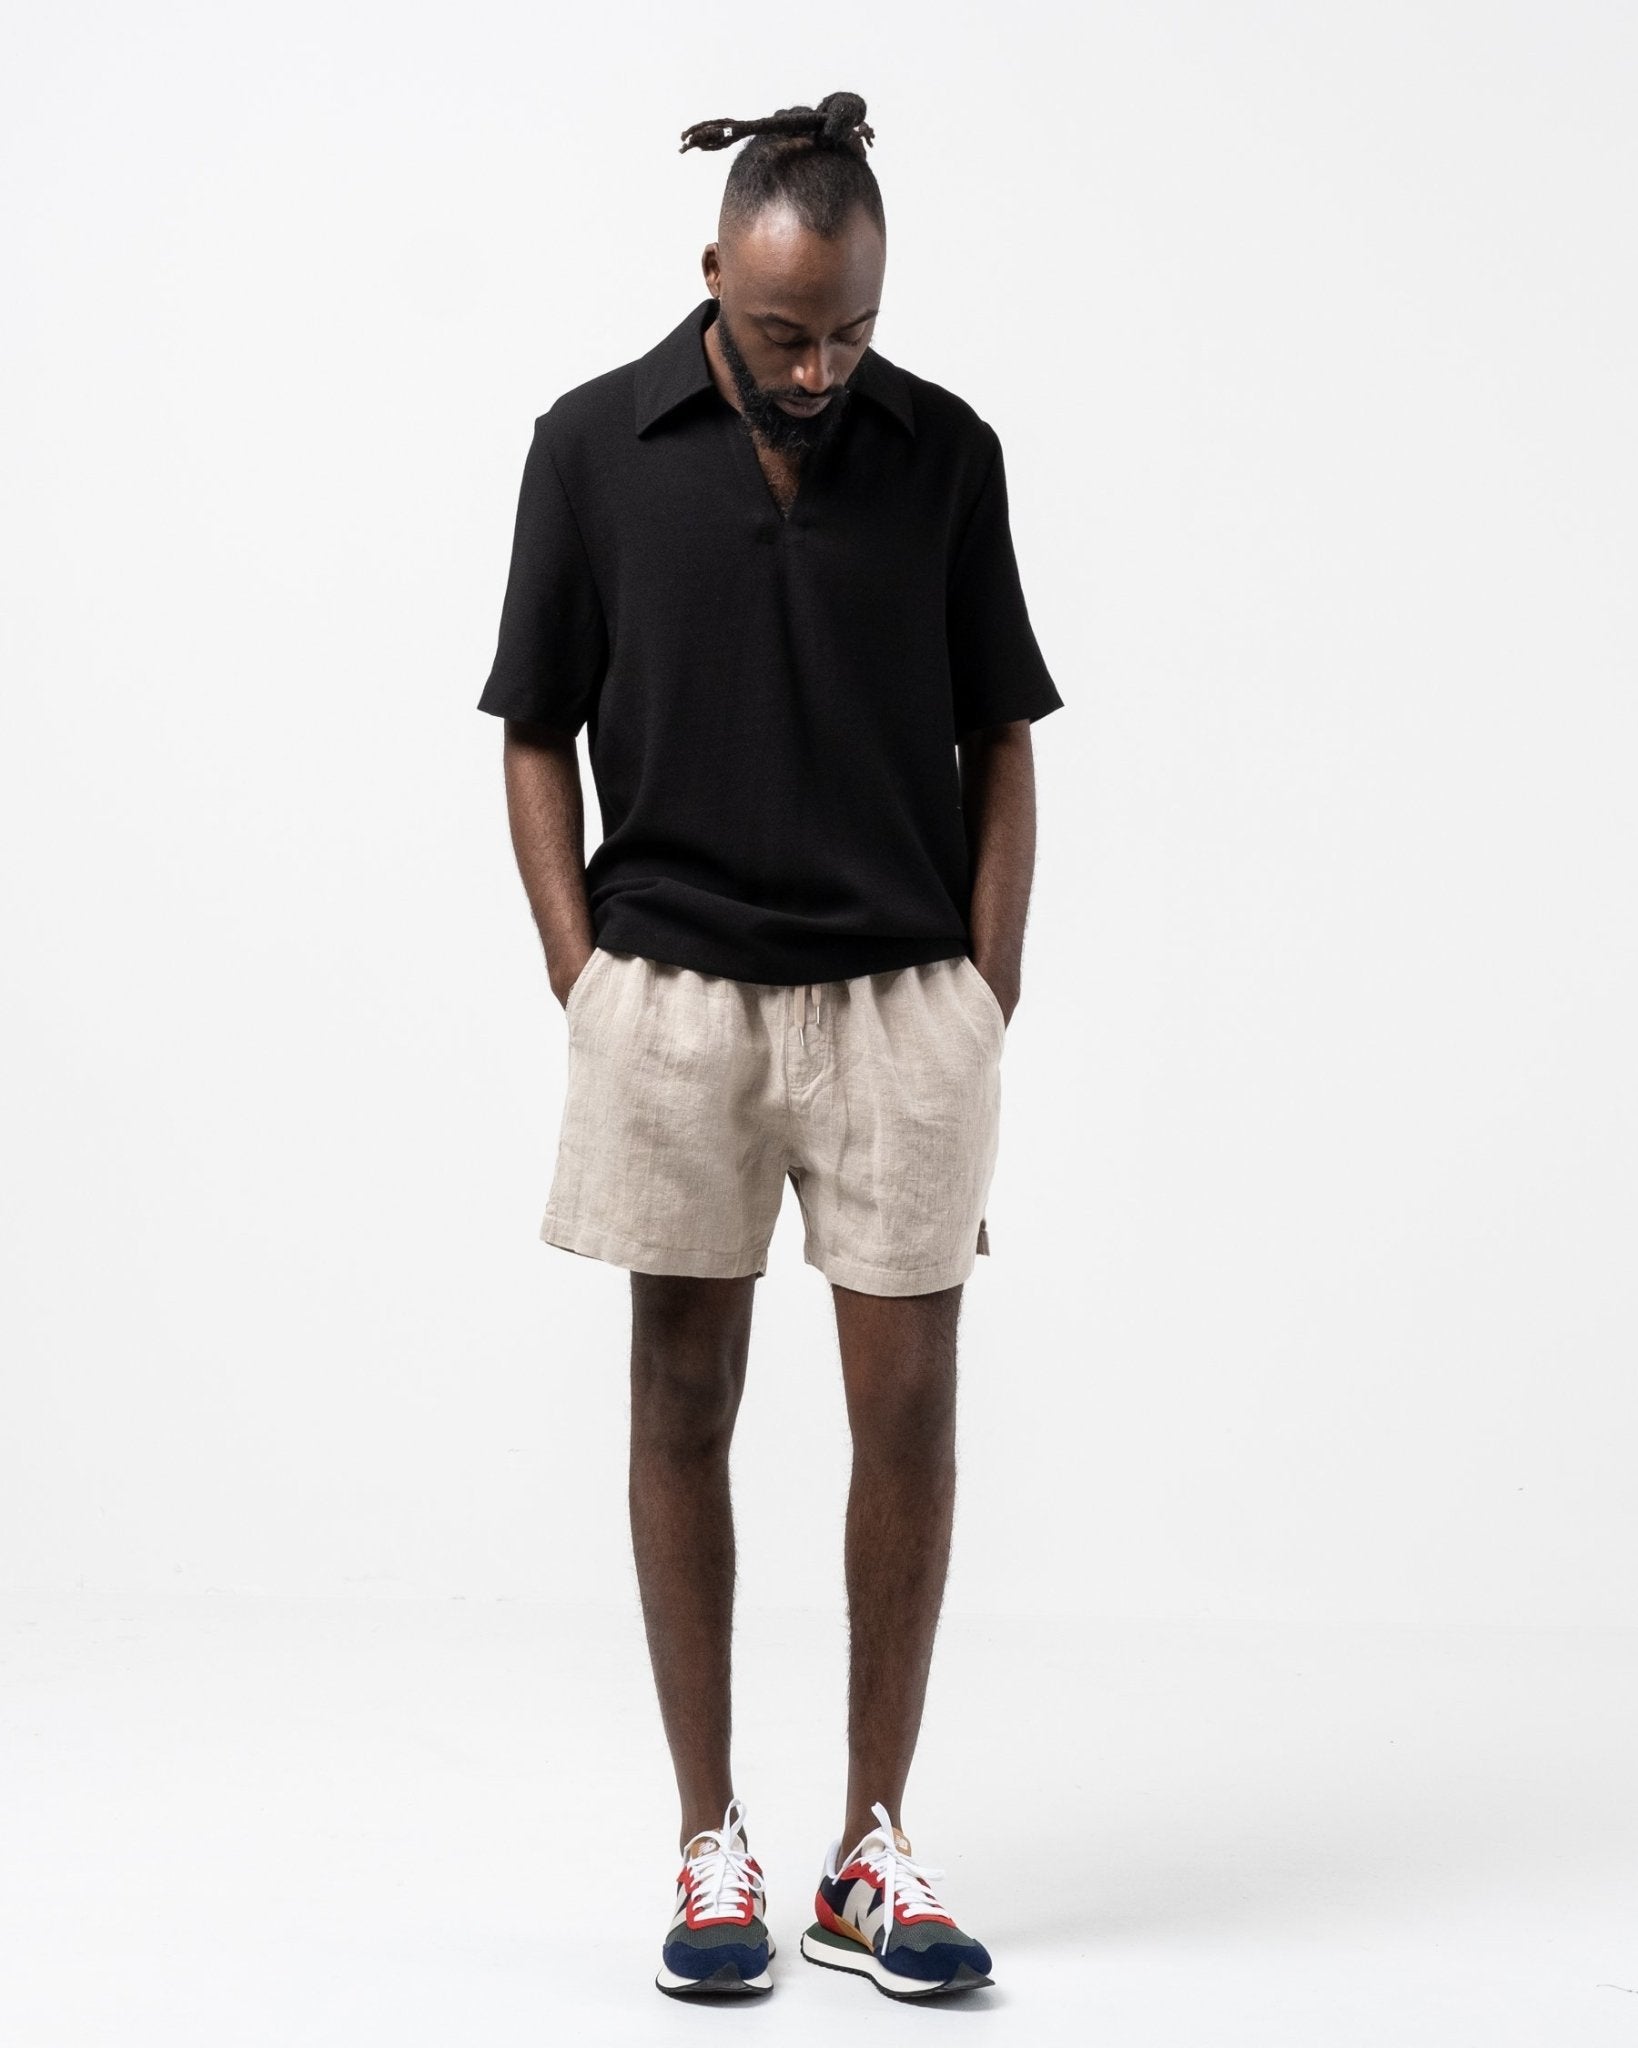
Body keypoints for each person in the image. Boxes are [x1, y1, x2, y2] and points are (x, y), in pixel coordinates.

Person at [476, 89, 1063, 2001]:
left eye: (851, 332)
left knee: (910, 1414)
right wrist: (583, 977)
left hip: (900, 1002)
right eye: (785, 330)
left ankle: (868, 1852)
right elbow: (532, 727)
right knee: (679, 1403)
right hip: (675, 998)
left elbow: (998, 732)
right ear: (713, 273)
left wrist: (984, 986)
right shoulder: (590, 446)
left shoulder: (944, 452)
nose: (819, 369)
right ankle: (706, 1840)